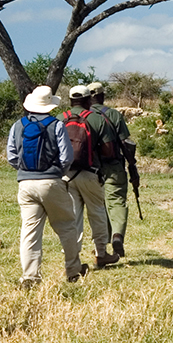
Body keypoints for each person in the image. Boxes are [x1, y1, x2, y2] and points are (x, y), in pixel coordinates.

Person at [6, 85, 86, 286]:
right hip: (51, 181)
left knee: (30, 231)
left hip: (25, 184)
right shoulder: (56, 125)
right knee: (66, 226)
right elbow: (66, 156)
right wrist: (58, 172)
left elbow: (11, 156)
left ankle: (30, 276)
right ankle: (73, 270)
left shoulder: (18, 125)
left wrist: (24, 170)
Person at [63, 85, 120, 268]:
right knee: (97, 212)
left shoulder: (60, 119)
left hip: (66, 175)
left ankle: (72, 259)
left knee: (73, 217)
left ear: (70, 101)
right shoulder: (96, 119)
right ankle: (101, 253)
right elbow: (108, 150)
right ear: (88, 100)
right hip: (90, 173)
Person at [87, 81, 139, 257]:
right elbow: (126, 143)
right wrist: (132, 166)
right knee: (116, 201)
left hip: (89, 168)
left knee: (98, 206)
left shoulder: (84, 116)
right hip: (113, 166)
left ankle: (101, 247)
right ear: (102, 96)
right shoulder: (113, 115)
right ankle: (117, 235)